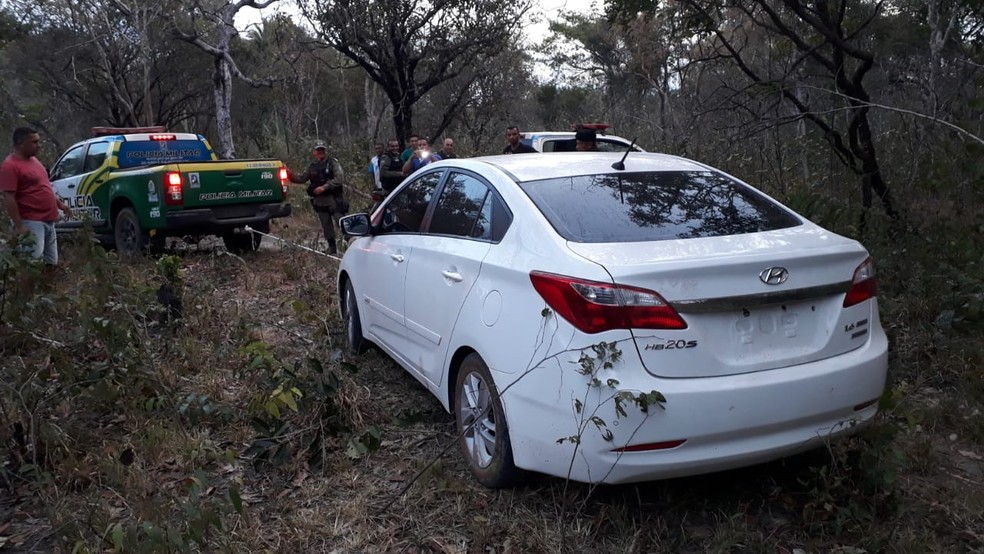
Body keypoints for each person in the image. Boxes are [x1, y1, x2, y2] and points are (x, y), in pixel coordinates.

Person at [0, 127, 72, 266]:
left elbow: (44, 187)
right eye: (34, 142)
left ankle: (46, 288)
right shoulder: (10, 166)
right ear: (21, 143)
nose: (39, 146)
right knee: (31, 264)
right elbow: (9, 198)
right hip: (31, 222)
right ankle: (27, 288)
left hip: (49, 221)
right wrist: (19, 226)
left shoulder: (34, 161)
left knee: (51, 263)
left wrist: (61, 206)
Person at [288, 141, 347, 255]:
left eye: (322, 150)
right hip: (319, 201)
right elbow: (301, 179)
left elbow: (339, 178)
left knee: (341, 222)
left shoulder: (332, 163)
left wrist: (325, 187)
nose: (321, 152)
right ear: (314, 152)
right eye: (318, 150)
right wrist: (288, 173)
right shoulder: (312, 166)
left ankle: (352, 243)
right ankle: (332, 247)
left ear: (325, 151)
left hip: (334, 199)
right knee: (326, 225)